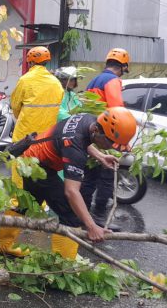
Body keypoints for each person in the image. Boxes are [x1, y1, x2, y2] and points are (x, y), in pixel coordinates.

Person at [18, 107, 136, 259]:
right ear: (98, 131)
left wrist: (100, 156)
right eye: (111, 144)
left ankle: (4, 244)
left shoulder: (90, 119)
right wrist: (92, 226)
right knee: (71, 215)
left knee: (27, 205)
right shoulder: (75, 150)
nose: (111, 148)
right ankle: (64, 266)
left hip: (31, 159)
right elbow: (71, 192)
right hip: (37, 166)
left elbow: (83, 140)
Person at [0, 46, 64, 257]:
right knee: (41, 182)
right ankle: (62, 259)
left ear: (30, 61)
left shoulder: (25, 80)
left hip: (25, 141)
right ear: (48, 61)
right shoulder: (56, 83)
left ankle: (5, 243)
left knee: (21, 190)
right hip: (47, 142)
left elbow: (15, 106)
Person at [82, 48, 130, 229]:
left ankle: (84, 214)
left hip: (91, 132)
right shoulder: (112, 81)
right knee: (107, 174)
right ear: (123, 66)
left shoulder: (93, 81)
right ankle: (99, 216)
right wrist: (122, 142)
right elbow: (117, 110)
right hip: (106, 134)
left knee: (90, 176)